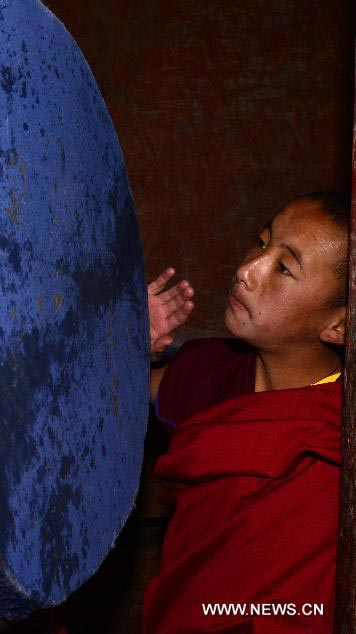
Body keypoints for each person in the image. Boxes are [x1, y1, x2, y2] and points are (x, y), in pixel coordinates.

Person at [141, 190, 350, 633]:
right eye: (260, 242)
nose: (245, 271)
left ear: (339, 325)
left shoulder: (338, 430)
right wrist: (126, 344)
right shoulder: (208, 370)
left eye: (285, 268)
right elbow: (104, 403)